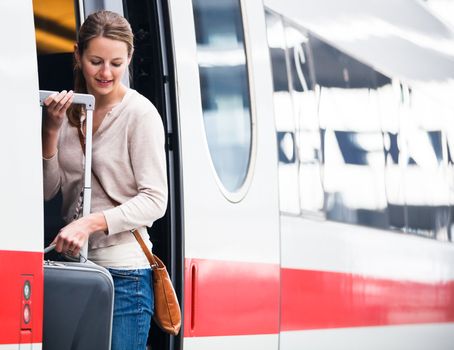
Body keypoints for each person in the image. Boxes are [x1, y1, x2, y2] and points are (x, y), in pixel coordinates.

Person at [42, 10, 168, 350]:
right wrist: (51, 131)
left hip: (125, 276)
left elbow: (156, 199)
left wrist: (90, 223)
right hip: (73, 268)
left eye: (116, 62)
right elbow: (49, 190)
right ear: (78, 55)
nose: (106, 73)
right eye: (96, 60)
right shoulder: (68, 111)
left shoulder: (139, 114)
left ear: (129, 58)